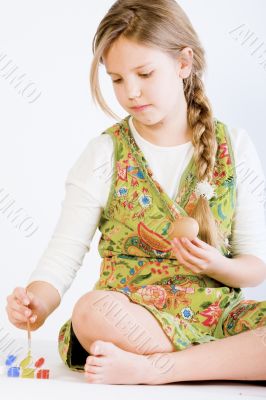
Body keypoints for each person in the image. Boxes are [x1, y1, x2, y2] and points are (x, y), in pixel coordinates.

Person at [6, 0, 266, 385]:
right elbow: (63, 254)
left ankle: (157, 370)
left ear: (183, 63)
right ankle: (224, 362)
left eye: (144, 73)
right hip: (133, 316)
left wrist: (215, 265)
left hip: (216, 317)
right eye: (116, 79)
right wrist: (37, 302)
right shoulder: (104, 153)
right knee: (91, 311)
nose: (131, 92)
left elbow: (254, 266)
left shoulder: (235, 145)